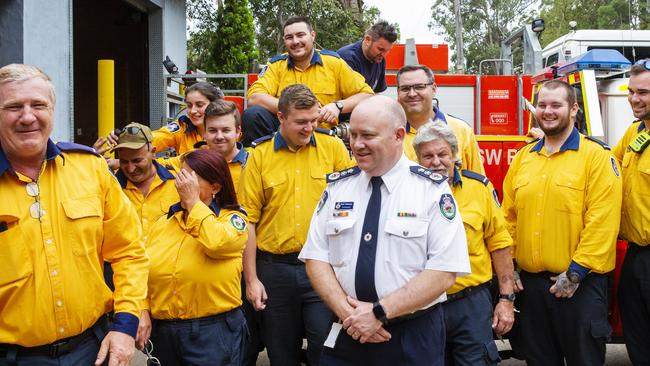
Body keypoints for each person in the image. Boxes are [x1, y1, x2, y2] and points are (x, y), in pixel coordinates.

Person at [299, 95, 470, 365]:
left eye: (367, 135)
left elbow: (445, 270)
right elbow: (316, 257)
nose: (357, 144)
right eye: (353, 135)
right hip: (349, 330)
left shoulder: (430, 189)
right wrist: (350, 315)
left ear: (398, 135)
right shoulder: (338, 187)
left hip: (411, 336)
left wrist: (378, 313)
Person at [0, 63, 149, 366]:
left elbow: (129, 251)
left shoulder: (90, 168)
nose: (28, 116)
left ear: (52, 111)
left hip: (91, 350)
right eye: (13, 106)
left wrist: (125, 326)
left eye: (38, 105)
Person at [502, 80, 622, 365]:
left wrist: (576, 273)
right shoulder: (523, 159)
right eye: (542, 105)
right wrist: (510, 267)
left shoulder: (597, 157)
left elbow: (602, 221)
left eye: (556, 105)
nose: (548, 111)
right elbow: (508, 218)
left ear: (574, 109)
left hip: (580, 288)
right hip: (531, 290)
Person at [239, 84, 354, 365]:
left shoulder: (334, 149)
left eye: (314, 121)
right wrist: (252, 280)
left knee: (325, 350)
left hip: (323, 268)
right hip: (274, 271)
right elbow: (248, 223)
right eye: (301, 122)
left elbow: (352, 210)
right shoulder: (259, 157)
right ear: (281, 117)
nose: (309, 128)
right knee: (281, 353)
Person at [413, 121, 514, 365]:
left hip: (471, 304)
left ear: (455, 155)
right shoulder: (406, 193)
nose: (436, 161)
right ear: (417, 159)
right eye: (428, 156)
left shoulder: (478, 189)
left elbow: (499, 245)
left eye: (442, 154)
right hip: (421, 305)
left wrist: (506, 300)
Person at [142, 148, 249, 365]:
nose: (181, 184)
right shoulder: (163, 223)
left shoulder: (233, 220)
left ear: (216, 187)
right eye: (180, 176)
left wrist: (193, 203)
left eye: (190, 178)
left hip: (212, 332)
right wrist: (143, 311)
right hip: (165, 333)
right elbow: (142, 270)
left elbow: (216, 243)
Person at [242, 16, 374, 147]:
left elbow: (367, 95)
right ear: (284, 40)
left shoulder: (334, 63)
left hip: (321, 137)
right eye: (289, 37)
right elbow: (254, 97)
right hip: (283, 137)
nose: (295, 41)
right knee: (252, 115)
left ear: (312, 35)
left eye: (300, 35)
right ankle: (261, 162)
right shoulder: (276, 65)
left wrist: (338, 106)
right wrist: (294, 110)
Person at [611, 59, 650, 364]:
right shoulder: (635, 132)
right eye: (632, 92)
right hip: (636, 253)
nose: (635, 99)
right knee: (636, 335)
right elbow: (604, 164)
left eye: (644, 93)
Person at [396, 64, 484, 174]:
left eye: (419, 87)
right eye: (405, 88)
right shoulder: (390, 133)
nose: (412, 94)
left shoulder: (462, 131)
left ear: (433, 89)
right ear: (398, 92)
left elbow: (478, 183)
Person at [337, 20, 397, 93]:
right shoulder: (348, 58)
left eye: (387, 50)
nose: (384, 55)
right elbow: (350, 98)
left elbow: (377, 92)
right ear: (368, 40)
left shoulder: (379, 59)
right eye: (380, 49)